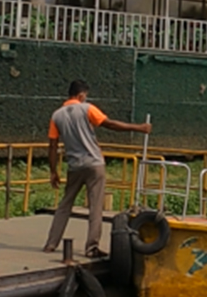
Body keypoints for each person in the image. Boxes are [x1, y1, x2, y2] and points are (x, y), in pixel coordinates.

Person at [43, 79, 151, 259]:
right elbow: (110, 124)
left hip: (74, 166)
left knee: (65, 205)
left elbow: (52, 145)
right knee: (95, 207)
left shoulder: (57, 116)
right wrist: (139, 128)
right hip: (94, 164)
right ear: (81, 95)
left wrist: (53, 171)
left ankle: (51, 243)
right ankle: (91, 247)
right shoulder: (87, 109)